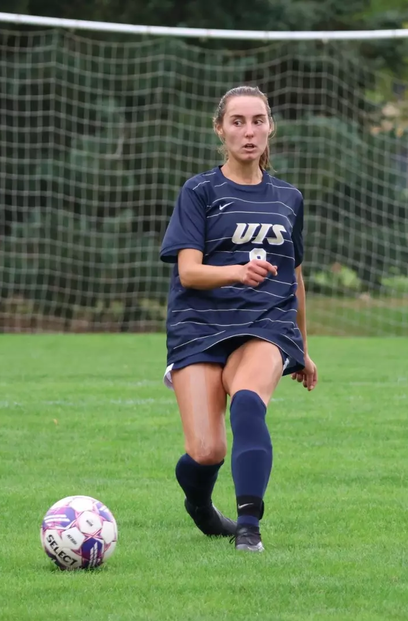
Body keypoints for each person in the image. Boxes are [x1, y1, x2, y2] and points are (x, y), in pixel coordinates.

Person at [158, 85, 318, 553]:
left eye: (257, 121)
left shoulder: (289, 198)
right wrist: (237, 272)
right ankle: (201, 507)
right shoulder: (200, 191)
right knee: (207, 451)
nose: (249, 131)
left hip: (266, 325)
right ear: (220, 129)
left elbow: (296, 279)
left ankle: (249, 530)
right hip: (200, 326)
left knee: (248, 402)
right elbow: (189, 272)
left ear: (270, 128)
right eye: (237, 121)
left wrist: (303, 348)